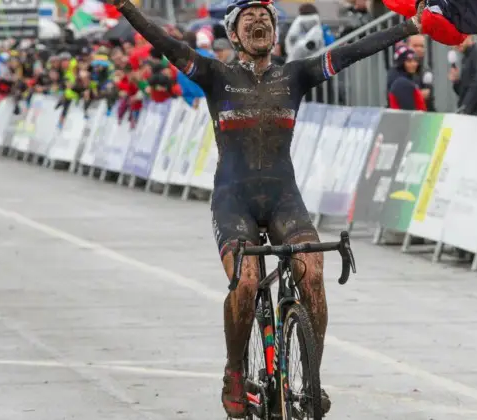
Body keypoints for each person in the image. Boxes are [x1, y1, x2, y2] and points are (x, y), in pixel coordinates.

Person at [107, 0, 422, 416]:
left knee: (311, 272)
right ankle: (235, 371)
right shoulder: (215, 74)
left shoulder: (296, 74)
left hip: (283, 198)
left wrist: (411, 26)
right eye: (248, 19)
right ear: (234, 34)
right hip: (233, 200)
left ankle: (311, 378)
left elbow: (353, 51)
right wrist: (127, 7)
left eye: (266, 18)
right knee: (247, 279)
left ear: (275, 32)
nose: (259, 23)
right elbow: (166, 43)